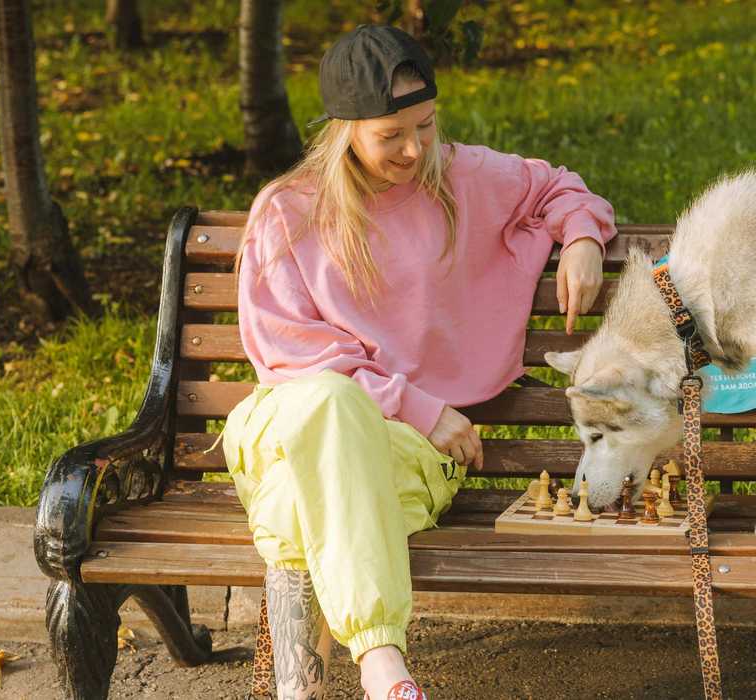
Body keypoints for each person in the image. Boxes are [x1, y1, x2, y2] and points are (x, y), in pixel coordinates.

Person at [222, 25, 617, 700]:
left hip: (402, 452)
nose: (414, 149)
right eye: (391, 136)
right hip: (289, 420)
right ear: (345, 131)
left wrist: (582, 237)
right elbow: (293, 355)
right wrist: (417, 406)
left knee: (296, 503)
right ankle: (380, 660)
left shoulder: (463, 178)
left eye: (426, 126)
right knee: (329, 400)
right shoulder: (288, 212)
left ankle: (312, 690)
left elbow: (559, 188)